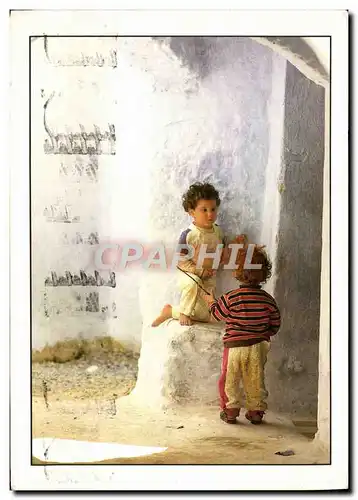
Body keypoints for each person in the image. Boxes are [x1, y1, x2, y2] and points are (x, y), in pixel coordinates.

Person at [203, 242, 281, 425]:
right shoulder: (267, 300)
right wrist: (263, 333)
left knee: (230, 378)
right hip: (257, 347)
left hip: (234, 348)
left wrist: (211, 301)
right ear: (264, 274)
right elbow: (275, 324)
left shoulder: (231, 297)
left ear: (236, 272)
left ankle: (230, 411)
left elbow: (217, 314)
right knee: (255, 379)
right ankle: (256, 412)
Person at [151, 182, 225, 327]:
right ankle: (183, 313)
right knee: (193, 284)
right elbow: (181, 261)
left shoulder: (218, 232)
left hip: (208, 275)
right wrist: (200, 271)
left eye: (213, 209)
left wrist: (214, 266)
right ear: (192, 212)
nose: (210, 214)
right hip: (188, 272)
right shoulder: (189, 235)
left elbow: (221, 253)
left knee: (205, 316)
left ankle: (170, 311)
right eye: (204, 210)